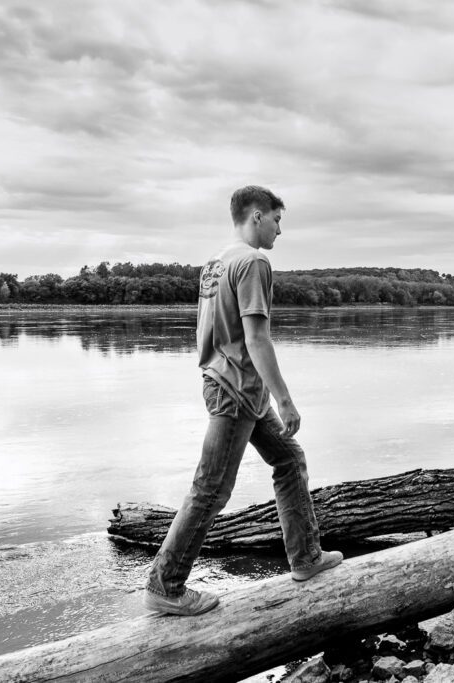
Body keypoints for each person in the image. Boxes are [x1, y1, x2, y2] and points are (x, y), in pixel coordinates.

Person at [143, 185, 343, 616]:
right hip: (237, 388)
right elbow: (256, 337)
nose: (279, 230)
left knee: (290, 460)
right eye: (277, 219)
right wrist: (286, 400)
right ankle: (165, 584)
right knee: (210, 489)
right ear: (256, 216)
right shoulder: (253, 261)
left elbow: (211, 330)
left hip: (229, 382)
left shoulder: (216, 262)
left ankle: (306, 559)